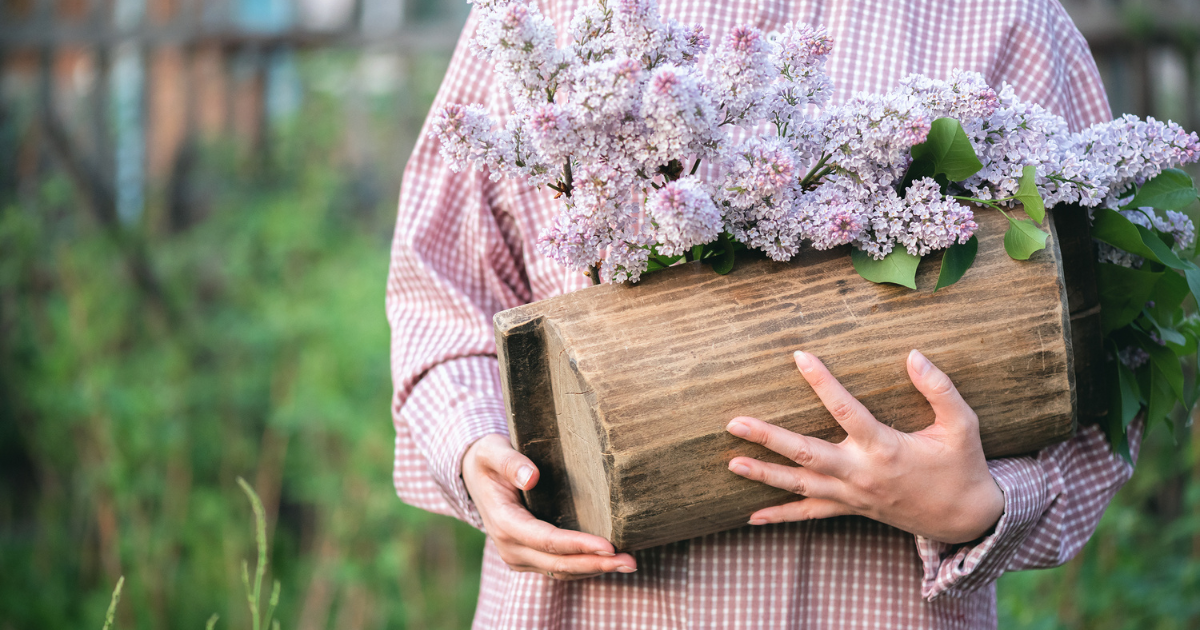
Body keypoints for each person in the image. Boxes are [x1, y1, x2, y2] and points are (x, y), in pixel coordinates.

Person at [387, 0, 1137, 626]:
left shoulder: (1001, 21)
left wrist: (987, 503)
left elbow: (1115, 350)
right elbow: (438, 292)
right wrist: (476, 449)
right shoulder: (545, 16)